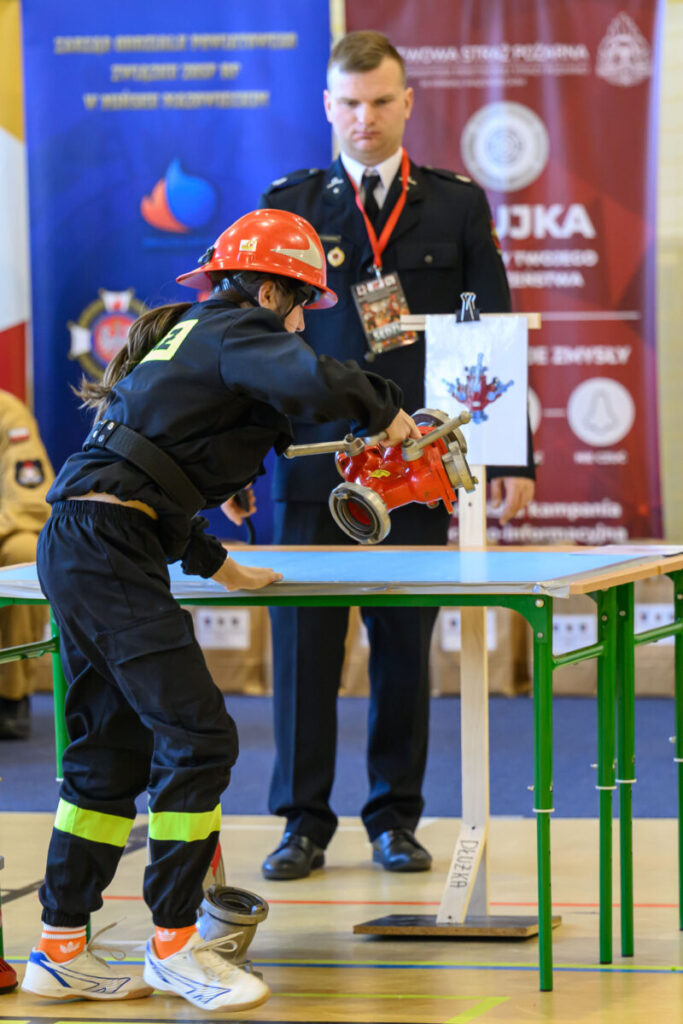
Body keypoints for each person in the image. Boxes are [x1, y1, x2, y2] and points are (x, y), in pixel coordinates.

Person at [20, 208, 419, 1011]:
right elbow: (312, 379)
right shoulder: (236, 325)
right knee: (199, 737)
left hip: (91, 542)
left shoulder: (187, 337)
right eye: (302, 306)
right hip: (107, 551)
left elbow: (148, 475)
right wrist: (385, 409)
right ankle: (175, 945)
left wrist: (222, 564)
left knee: (110, 754)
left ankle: (60, 950)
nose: (301, 323)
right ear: (270, 291)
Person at [259, 31, 536, 882]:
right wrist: (233, 460)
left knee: (404, 650)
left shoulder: (455, 205)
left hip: (415, 467)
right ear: (326, 106)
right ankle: (301, 823)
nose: (365, 118)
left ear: (407, 101)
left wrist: (510, 458)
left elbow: (491, 337)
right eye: (349, 103)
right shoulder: (290, 206)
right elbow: (252, 344)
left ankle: (393, 818)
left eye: (381, 101)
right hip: (312, 465)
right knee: (303, 652)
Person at [0, 389, 54, 740]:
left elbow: (31, 501)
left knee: (24, 552)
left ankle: (10, 696)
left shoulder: (7, 413)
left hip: (4, 529)